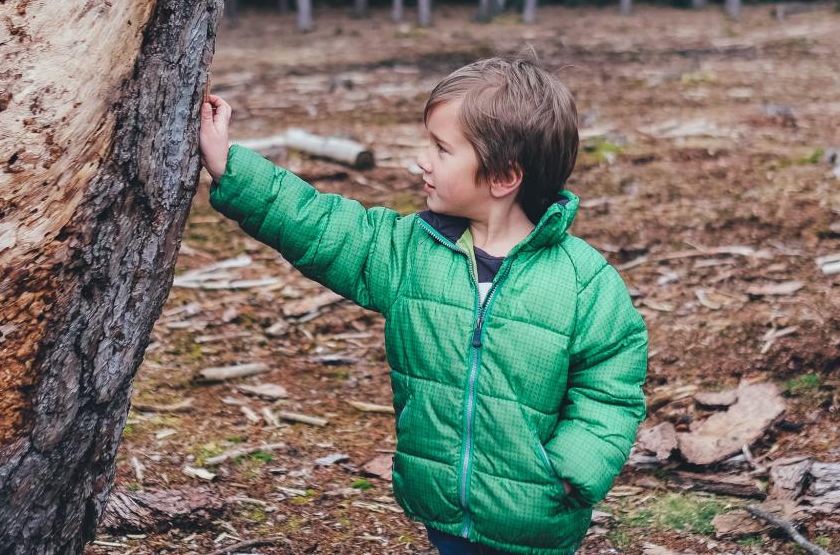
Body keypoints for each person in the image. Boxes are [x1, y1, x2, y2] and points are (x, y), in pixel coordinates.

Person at [198, 55, 648, 555]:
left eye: (441, 148)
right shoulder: (409, 251)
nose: (422, 160)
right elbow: (321, 225)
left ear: (502, 177)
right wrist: (230, 166)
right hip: (442, 509)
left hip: (535, 516)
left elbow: (612, 387)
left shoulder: (584, 281)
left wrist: (572, 470)